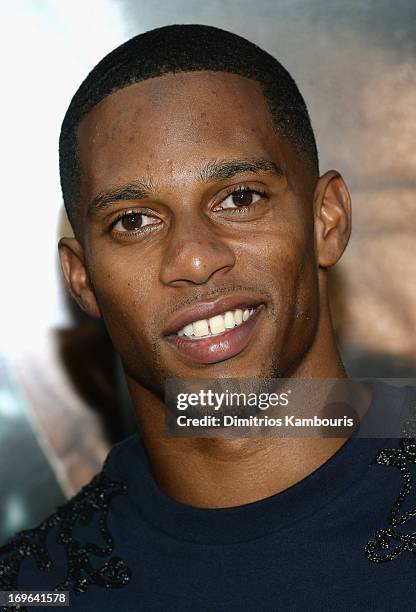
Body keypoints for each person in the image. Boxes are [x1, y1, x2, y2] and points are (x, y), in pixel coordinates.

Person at [1, 24, 415, 612]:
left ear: (326, 220)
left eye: (239, 198)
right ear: (83, 279)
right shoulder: (31, 591)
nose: (194, 259)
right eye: (133, 221)